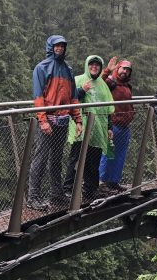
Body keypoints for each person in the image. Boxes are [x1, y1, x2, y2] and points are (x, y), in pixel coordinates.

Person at [27, 35, 82, 209]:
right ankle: (33, 197)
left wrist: (78, 120)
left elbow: (73, 97)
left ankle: (56, 195)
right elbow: (38, 97)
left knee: (57, 159)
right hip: (48, 121)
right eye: (57, 46)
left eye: (62, 46)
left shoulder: (68, 69)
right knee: (41, 158)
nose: (60, 49)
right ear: (51, 47)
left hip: (63, 121)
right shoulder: (41, 68)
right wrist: (42, 120)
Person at [63, 55, 114, 202]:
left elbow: (107, 107)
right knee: (76, 158)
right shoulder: (78, 80)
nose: (94, 67)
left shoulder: (102, 84)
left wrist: (109, 127)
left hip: (98, 127)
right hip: (81, 126)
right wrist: (82, 90)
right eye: (91, 64)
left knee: (94, 159)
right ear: (87, 65)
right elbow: (69, 99)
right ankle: (68, 189)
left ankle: (91, 189)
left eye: (97, 65)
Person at [98, 58, 135, 192]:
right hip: (112, 125)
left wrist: (131, 114)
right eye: (123, 68)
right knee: (108, 153)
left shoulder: (127, 86)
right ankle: (101, 182)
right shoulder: (110, 82)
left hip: (124, 126)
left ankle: (114, 181)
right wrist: (107, 70)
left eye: (128, 70)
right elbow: (98, 82)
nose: (125, 71)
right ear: (118, 69)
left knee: (120, 155)